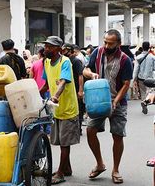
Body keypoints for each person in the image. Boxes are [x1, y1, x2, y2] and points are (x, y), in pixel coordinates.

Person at [83, 29, 133, 184]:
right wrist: (91, 74)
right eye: (105, 41)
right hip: (98, 101)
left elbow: (126, 84)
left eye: (110, 43)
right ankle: (99, 163)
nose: (106, 45)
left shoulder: (125, 60)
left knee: (117, 135)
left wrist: (116, 101)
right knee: (90, 130)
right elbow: (85, 70)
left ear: (118, 44)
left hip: (117, 102)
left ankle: (116, 169)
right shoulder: (97, 53)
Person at [40, 36, 80, 184]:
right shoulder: (46, 62)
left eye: (49, 47)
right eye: (46, 47)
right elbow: (46, 84)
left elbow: (63, 81)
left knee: (64, 143)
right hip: (55, 109)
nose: (46, 49)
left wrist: (56, 96)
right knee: (59, 141)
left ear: (58, 49)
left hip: (68, 108)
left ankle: (61, 173)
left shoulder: (65, 62)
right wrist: (33, 93)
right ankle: (67, 168)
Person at [62, 43, 84, 135]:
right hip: (68, 89)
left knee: (78, 108)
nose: (63, 52)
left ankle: (78, 129)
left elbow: (80, 75)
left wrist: (80, 90)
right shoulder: (64, 60)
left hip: (75, 88)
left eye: (64, 50)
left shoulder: (76, 61)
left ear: (70, 50)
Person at [134, 41, 155, 114]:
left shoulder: (138, 57)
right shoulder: (152, 57)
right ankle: (146, 102)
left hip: (140, 78)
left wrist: (134, 79)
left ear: (142, 48)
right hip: (150, 79)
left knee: (143, 92)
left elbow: (136, 69)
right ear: (149, 47)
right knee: (150, 91)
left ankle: (144, 102)